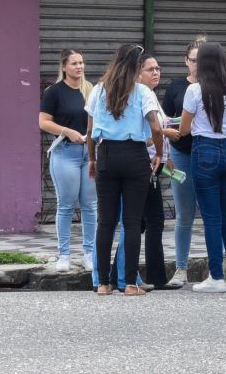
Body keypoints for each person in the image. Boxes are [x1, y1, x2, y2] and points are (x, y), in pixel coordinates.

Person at [86, 44, 165, 296]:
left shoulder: (98, 90)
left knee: (105, 221)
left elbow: (90, 130)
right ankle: (130, 283)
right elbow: (156, 127)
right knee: (131, 222)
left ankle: (103, 284)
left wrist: (91, 159)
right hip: (135, 155)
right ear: (137, 67)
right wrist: (159, 152)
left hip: (106, 154)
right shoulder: (142, 92)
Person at [178, 41, 226, 293]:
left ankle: (216, 277)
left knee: (211, 217)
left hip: (205, 152)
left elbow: (184, 129)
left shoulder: (194, 90)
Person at [110, 52, 170, 290]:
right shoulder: (138, 95)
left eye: (158, 68)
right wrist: (162, 139)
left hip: (154, 163)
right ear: (137, 74)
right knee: (140, 222)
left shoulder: (150, 95)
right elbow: (145, 132)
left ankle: (126, 275)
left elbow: (159, 126)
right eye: (150, 69)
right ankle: (126, 276)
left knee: (146, 221)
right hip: (141, 164)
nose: (156, 73)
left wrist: (166, 154)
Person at [39, 49, 96, 272]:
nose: (79, 67)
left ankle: (89, 254)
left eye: (81, 62)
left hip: (89, 153)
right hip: (65, 152)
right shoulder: (54, 92)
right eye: (74, 63)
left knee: (90, 205)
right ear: (64, 66)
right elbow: (43, 122)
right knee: (66, 205)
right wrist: (67, 131)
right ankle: (64, 254)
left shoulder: (89, 89)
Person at [159, 35, 205, 288]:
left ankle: (217, 269)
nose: (197, 64)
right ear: (186, 61)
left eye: (202, 59)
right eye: (193, 60)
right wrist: (165, 153)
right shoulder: (176, 87)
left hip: (208, 153)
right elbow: (165, 121)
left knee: (213, 214)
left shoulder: (217, 86)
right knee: (184, 214)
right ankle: (181, 268)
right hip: (181, 152)